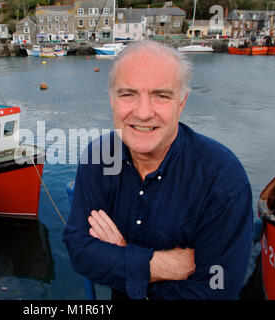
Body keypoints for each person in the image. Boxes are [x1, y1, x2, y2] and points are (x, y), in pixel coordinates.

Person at [62, 40, 253, 300]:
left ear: (182, 102)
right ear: (112, 99)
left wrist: (121, 257)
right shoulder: (99, 157)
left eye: (161, 96)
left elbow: (217, 290)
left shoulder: (221, 179)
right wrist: (155, 265)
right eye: (128, 94)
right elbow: (80, 250)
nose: (142, 113)